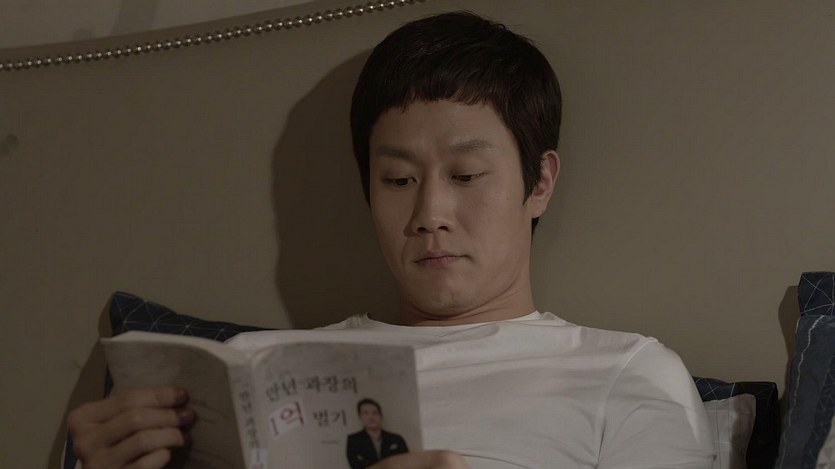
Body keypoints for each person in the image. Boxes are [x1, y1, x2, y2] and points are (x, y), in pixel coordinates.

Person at [67, 11, 715, 469]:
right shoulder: (253, 369)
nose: (430, 213)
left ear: (538, 182)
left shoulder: (623, 374)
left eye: (466, 175)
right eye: (399, 180)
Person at [346, 398, 409, 468]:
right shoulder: (354, 440)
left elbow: (405, 463)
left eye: (374, 413)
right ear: (360, 417)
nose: (371, 417)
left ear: (381, 416)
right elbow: (356, 466)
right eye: (365, 413)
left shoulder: (396, 439)